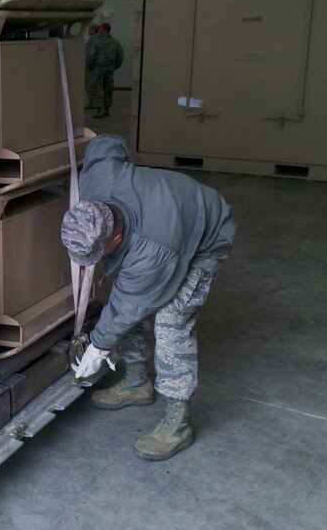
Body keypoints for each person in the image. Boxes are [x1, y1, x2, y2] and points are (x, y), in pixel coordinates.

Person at [61, 134, 236, 461]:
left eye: (99, 254)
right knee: (127, 307)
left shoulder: (150, 250)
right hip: (168, 214)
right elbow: (107, 144)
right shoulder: (98, 181)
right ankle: (138, 382)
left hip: (206, 237)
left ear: (115, 235)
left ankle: (179, 422)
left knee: (172, 322)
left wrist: (98, 346)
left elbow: (130, 305)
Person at [87, 22, 123, 119]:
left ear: (102, 30)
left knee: (97, 89)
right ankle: (107, 109)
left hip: (97, 70)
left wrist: (89, 66)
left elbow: (91, 56)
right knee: (108, 89)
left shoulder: (96, 42)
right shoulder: (115, 42)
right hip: (109, 70)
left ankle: (99, 110)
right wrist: (114, 67)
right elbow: (120, 57)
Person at [84, 22, 100, 109]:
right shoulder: (97, 39)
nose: (88, 30)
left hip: (91, 68)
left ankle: (93, 103)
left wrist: (87, 64)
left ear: (94, 30)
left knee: (90, 85)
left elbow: (91, 54)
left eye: (90, 29)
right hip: (96, 67)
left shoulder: (93, 40)